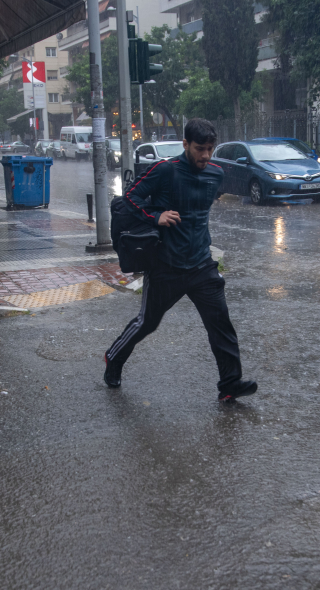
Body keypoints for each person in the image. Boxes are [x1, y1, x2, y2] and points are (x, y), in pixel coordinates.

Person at [103, 118, 257, 403]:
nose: (205, 155)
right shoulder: (165, 171)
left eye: (210, 148)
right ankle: (114, 357)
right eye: (200, 148)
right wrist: (155, 217)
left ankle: (229, 384)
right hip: (166, 266)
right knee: (147, 323)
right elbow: (129, 198)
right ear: (185, 144)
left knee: (220, 324)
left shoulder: (215, 174)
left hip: (201, 264)